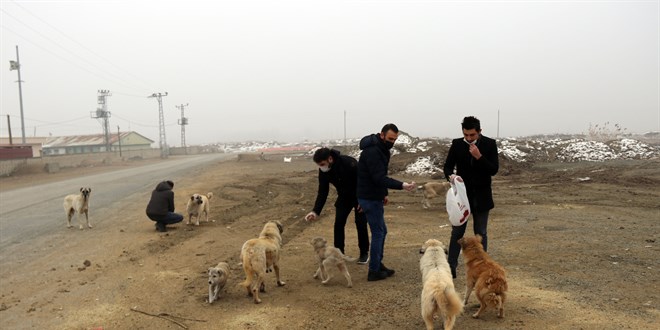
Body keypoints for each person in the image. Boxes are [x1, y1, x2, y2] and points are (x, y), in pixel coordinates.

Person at [357, 123, 416, 281]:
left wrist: (383, 193)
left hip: (373, 196)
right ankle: (374, 271)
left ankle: (377, 263)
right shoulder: (373, 152)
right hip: (369, 198)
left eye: (395, 139)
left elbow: (378, 176)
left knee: (382, 231)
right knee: (378, 233)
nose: (392, 142)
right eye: (390, 138)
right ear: (381, 135)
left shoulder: (381, 149)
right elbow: (378, 177)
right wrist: (402, 185)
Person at [443, 116, 499, 278]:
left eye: (472, 135)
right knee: (457, 233)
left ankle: (482, 268)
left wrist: (479, 156)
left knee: (480, 233)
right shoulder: (457, 144)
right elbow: (447, 166)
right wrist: (450, 177)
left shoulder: (489, 144)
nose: (468, 138)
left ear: (479, 132)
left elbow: (493, 169)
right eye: (466, 135)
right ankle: (451, 267)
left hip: (482, 197)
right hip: (462, 197)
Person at [305, 147, 370, 264]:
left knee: (360, 224)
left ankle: (364, 253)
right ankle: (339, 254)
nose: (321, 167)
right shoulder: (323, 170)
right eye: (319, 165)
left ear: (330, 159)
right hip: (344, 198)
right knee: (338, 224)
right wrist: (315, 211)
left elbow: (364, 180)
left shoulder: (349, 163)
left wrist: (363, 200)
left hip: (359, 196)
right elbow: (323, 191)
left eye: (322, 164)